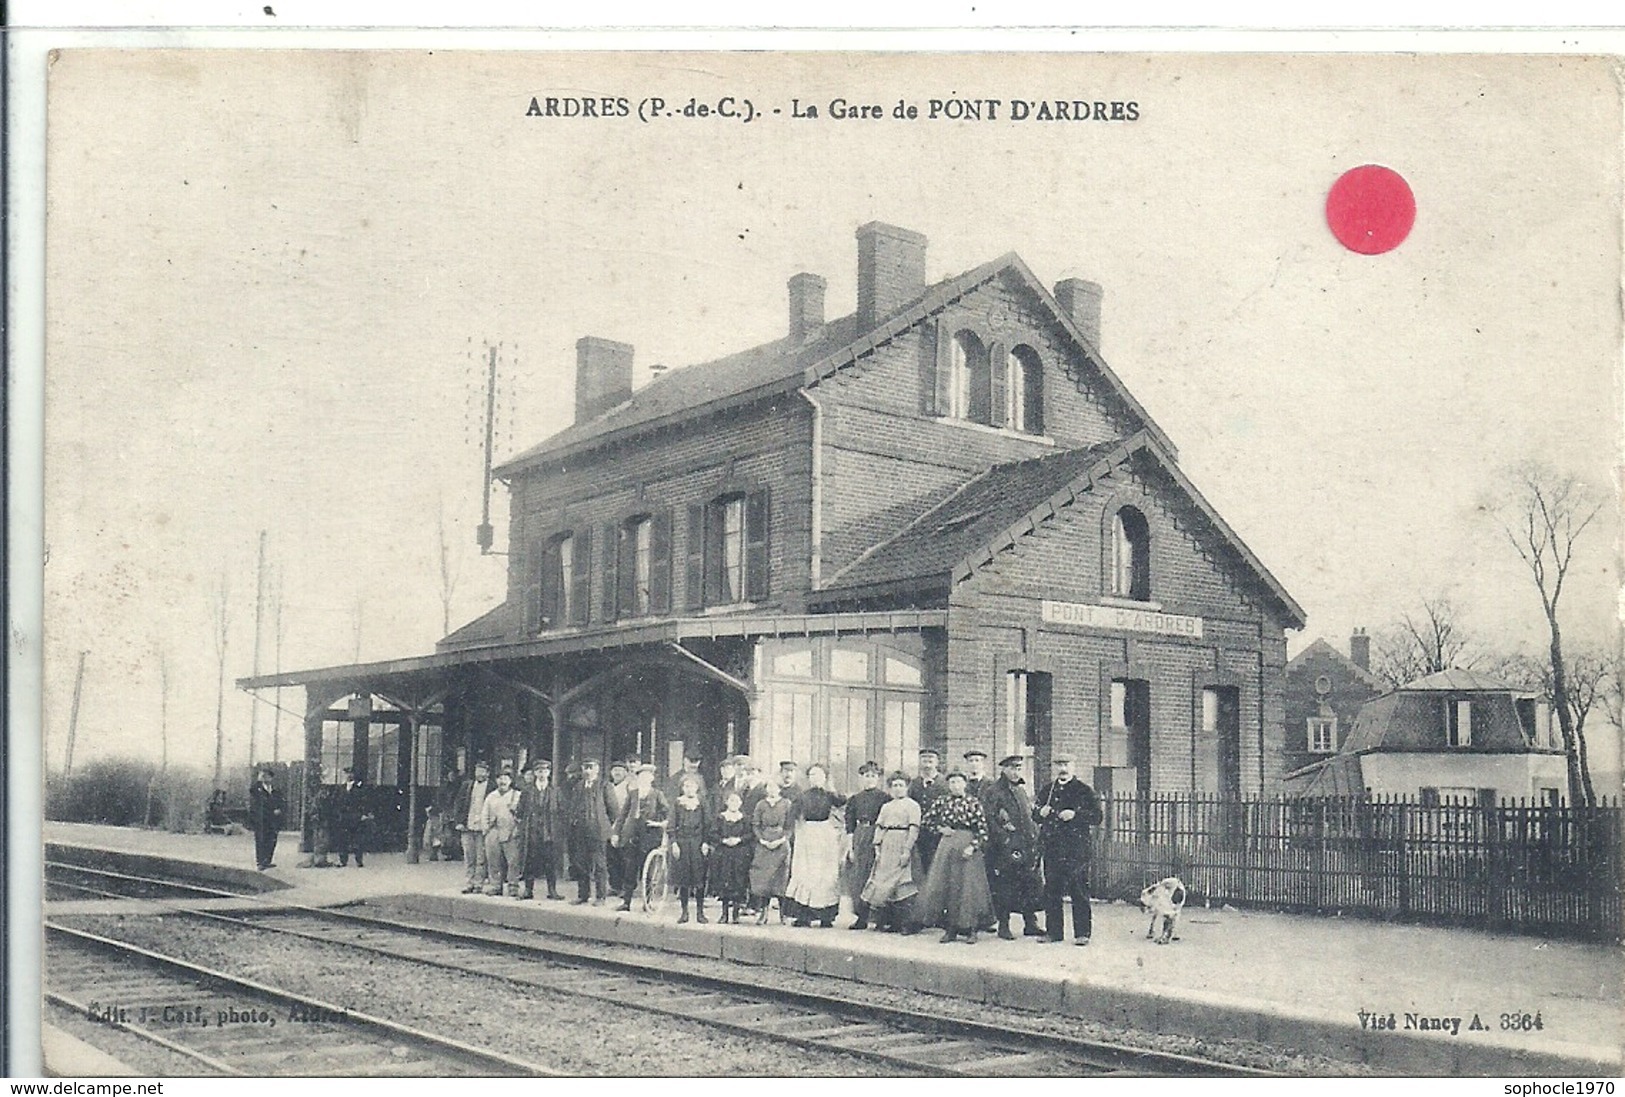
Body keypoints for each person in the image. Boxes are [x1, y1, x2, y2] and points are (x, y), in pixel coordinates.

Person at [915, 770, 994, 943]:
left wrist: (972, 847)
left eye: (959, 782)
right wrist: (940, 829)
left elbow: (983, 830)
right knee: (948, 886)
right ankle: (951, 929)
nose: (956, 786)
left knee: (968, 888)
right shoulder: (942, 801)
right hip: (947, 846)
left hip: (967, 846)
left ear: (965, 784)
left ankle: (971, 929)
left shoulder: (973, 802)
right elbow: (927, 821)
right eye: (952, 783)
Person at [1034, 755, 1103, 946]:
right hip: (1053, 848)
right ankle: (1054, 933)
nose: (1062, 769)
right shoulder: (1048, 790)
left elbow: (1097, 816)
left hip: (1076, 849)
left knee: (1078, 889)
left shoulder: (1084, 790)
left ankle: (1082, 934)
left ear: (1074, 767)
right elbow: (1035, 814)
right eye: (1059, 765)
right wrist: (1040, 813)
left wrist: (1075, 815)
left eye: (1066, 765)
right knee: (1052, 890)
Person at [984, 755, 1045, 939]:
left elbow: (1027, 815)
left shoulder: (1020, 790)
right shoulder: (994, 791)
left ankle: (1030, 923)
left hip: (1025, 846)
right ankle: (1004, 925)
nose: (1015, 771)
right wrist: (1004, 839)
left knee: (1028, 883)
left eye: (1018, 768)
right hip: (1005, 848)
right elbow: (990, 818)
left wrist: (1034, 834)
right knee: (1005, 885)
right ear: (1003, 769)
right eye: (1011, 768)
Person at [786, 763, 848, 928]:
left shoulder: (829, 795)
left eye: (819, 775)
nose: (815, 778)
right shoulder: (803, 796)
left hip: (825, 835)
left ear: (825, 777)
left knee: (826, 874)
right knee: (806, 872)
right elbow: (792, 815)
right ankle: (804, 916)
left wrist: (831, 788)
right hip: (807, 834)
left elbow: (842, 801)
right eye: (812, 775)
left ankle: (826, 917)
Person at [861, 772, 922, 934]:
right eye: (894, 785)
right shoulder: (886, 806)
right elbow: (880, 827)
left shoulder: (912, 805)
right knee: (883, 882)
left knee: (902, 882)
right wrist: (877, 848)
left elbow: (914, 829)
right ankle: (888, 921)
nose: (897, 788)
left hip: (902, 843)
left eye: (901, 785)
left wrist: (906, 850)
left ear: (907, 787)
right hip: (887, 844)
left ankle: (907, 924)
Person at [611, 764, 670, 911]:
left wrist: (659, 823)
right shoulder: (633, 794)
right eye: (641, 776)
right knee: (630, 869)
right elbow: (622, 815)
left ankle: (647, 902)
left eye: (647, 776)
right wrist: (616, 833)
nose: (644, 779)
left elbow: (667, 813)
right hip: (632, 835)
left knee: (648, 870)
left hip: (649, 836)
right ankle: (626, 902)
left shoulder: (657, 794)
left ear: (652, 778)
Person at [843, 762, 887, 930]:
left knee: (877, 876)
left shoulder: (884, 798)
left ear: (878, 778)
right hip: (860, 835)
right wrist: (850, 847)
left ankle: (879, 918)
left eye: (873, 776)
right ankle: (861, 917)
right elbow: (849, 824)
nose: (870, 779)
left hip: (878, 834)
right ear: (861, 778)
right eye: (867, 776)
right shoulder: (855, 799)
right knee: (860, 876)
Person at [515, 762, 565, 901]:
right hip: (532, 832)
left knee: (551, 862)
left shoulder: (555, 791)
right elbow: (520, 811)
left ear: (549, 773)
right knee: (529, 861)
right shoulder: (527, 791)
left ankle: (552, 891)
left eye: (545, 771)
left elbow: (562, 812)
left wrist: (557, 829)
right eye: (539, 771)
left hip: (549, 833)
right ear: (535, 773)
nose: (542, 774)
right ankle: (528, 890)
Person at [567, 758, 614, 905]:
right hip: (580, 831)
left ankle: (600, 897)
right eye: (585, 768)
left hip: (598, 831)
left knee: (599, 864)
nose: (587, 771)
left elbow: (613, 810)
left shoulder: (605, 786)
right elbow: (573, 808)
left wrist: (610, 829)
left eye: (591, 768)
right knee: (581, 863)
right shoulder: (578, 786)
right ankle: (583, 895)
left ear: (597, 770)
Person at [669, 773, 712, 924]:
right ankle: (684, 912)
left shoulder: (702, 803)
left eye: (692, 786)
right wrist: (674, 843)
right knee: (683, 879)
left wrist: (706, 842)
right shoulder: (677, 803)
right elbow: (672, 824)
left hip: (698, 843)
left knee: (699, 878)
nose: (689, 789)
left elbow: (708, 824)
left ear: (697, 787)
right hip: (682, 843)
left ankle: (700, 912)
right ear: (682, 788)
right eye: (686, 786)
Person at [748, 777, 793, 924]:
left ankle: (783, 914)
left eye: (774, 787)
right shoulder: (761, 804)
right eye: (769, 787)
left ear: (779, 789)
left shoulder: (786, 804)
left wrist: (782, 839)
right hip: (764, 843)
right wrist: (762, 840)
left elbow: (790, 825)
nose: (772, 790)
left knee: (781, 877)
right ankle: (764, 913)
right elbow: (755, 824)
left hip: (781, 843)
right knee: (764, 878)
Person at [710, 789, 753, 924]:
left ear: (741, 803)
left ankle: (735, 914)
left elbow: (750, 834)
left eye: (737, 800)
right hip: (724, 854)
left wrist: (739, 840)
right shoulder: (720, 817)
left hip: (740, 854)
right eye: (731, 800)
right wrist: (723, 840)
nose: (734, 803)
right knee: (724, 883)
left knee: (738, 882)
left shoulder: (745, 819)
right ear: (726, 802)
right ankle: (724, 914)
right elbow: (713, 833)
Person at [482, 768, 522, 897]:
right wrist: (486, 830)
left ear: (510, 781)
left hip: (511, 831)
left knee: (513, 861)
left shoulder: (517, 795)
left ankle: (513, 887)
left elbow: (521, 815)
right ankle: (495, 886)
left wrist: (517, 829)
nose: (502, 781)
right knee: (493, 860)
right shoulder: (491, 796)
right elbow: (484, 814)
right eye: (500, 778)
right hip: (493, 831)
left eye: (506, 778)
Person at [454, 761, 492, 894]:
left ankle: (478, 884)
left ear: (488, 773)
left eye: (483, 771)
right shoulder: (467, 785)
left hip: (483, 828)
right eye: (478, 771)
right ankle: (469, 883)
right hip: (468, 826)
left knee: (481, 858)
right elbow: (459, 804)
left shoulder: (491, 787)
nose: (480, 774)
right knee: (469, 856)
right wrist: (459, 821)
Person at [908, 749, 945, 872]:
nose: (927, 763)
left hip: (938, 833)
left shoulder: (945, 783)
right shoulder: (913, 784)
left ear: (937, 762)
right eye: (924, 759)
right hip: (918, 831)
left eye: (931, 759)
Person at [248, 766, 285, 871]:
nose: (264, 778)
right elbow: (258, 803)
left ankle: (267, 861)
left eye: (267, 776)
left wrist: (279, 809)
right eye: (262, 776)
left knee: (272, 840)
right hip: (261, 819)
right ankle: (260, 862)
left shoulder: (275, 790)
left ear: (271, 778)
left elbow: (281, 802)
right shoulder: (256, 789)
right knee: (261, 840)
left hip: (273, 820)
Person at [604, 760, 632, 894]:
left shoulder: (629, 787)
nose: (617, 773)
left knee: (624, 858)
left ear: (626, 773)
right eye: (615, 770)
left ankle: (625, 887)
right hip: (609, 825)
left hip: (624, 826)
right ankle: (615, 886)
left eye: (620, 770)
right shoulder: (608, 787)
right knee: (611, 857)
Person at [302, 764, 335, 869]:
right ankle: (319, 859)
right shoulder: (319, 792)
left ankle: (320, 858)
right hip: (320, 817)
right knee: (321, 838)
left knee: (321, 838)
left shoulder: (319, 790)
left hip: (320, 817)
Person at [335, 767, 369, 868]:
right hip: (344, 817)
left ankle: (359, 860)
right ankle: (343, 861)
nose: (348, 775)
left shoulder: (360, 788)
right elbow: (337, 802)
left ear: (354, 775)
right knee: (342, 839)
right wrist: (339, 814)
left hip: (356, 817)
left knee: (357, 839)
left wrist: (363, 814)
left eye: (350, 773)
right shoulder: (341, 788)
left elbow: (364, 802)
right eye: (346, 773)